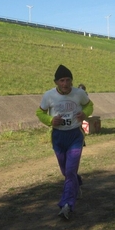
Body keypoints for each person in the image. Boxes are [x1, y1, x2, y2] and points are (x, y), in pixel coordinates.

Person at [36, 65, 94, 220]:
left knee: (69, 171)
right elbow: (39, 112)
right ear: (56, 82)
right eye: (62, 80)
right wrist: (50, 120)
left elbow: (89, 105)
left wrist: (85, 113)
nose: (65, 83)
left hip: (75, 136)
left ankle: (67, 205)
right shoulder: (49, 95)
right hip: (58, 137)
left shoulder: (79, 93)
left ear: (71, 81)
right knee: (66, 171)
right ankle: (77, 183)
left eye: (68, 80)